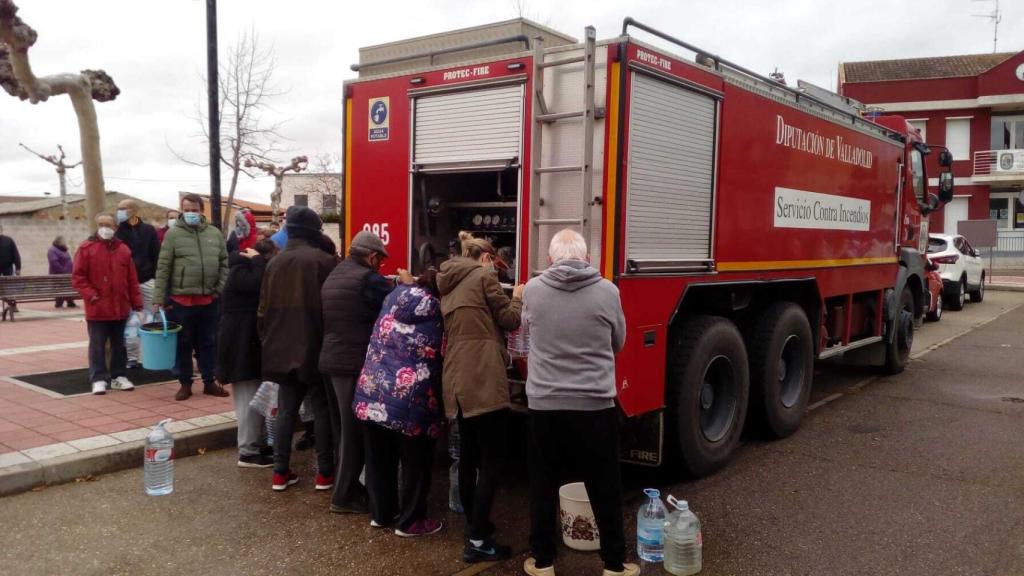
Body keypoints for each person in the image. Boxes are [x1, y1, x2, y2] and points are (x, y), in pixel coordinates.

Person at [520, 229, 634, 576]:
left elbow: (526, 335)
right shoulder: (608, 291)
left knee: (542, 484)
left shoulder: (534, 290)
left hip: (544, 405)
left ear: (550, 260)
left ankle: (542, 562)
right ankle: (614, 565)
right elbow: (618, 341)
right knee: (605, 487)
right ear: (587, 259)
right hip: (595, 406)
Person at [437, 231, 524, 563]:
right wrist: (517, 295)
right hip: (483, 377)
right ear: (486, 258)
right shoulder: (484, 277)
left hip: (457, 379)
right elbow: (510, 320)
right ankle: (477, 541)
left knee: (470, 457)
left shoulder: (448, 280)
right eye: (496, 264)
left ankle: (476, 524)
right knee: (492, 460)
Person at [354, 269, 444, 537]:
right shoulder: (438, 312)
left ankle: (381, 514)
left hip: (371, 392)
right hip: (411, 401)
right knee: (415, 463)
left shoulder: (393, 297)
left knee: (380, 459)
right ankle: (411, 521)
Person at [258, 206, 337, 492]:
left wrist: (268, 342)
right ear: (315, 233)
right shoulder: (324, 262)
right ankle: (325, 473)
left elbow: (262, 312)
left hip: (280, 348)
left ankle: (280, 472)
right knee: (322, 410)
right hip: (316, 347)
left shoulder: (274, 263)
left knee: (286, 411)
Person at [319, 230, 394, 514]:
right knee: (354, 433)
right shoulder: (368, 279)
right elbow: (395, 302)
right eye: (381, 261)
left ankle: (349, 487)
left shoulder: (337, 272)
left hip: (330, 360)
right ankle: (343, 496)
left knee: (342, 431)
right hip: (351, 362)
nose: (380, 266)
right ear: (372, 257)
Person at [153, 194, 230, 401]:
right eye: (186, 210)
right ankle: (185, 383)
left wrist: (218, 289)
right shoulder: (173, 234)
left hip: (209, 300)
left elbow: (224, 263)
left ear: (201, 210)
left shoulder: (214, 233)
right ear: (181, 210)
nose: (190, 213)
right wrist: (159, 297)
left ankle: (209, 382)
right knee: (183, 344)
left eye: (194, 210)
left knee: (209, 343)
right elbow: (163, 267)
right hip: (181, 301)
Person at [218, 239, 278, 468]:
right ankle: (248, 451)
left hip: (245, 346)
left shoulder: (242, 269)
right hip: (240, 347)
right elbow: (259, 283)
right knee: (248, 400)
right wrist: (256, 261)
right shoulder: (241, 272)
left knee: (255, 398)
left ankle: (258, 445)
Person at [71, 214, 142, 395]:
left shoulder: (124, 250)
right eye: (101, 224)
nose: (104, 227)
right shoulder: (86, 248)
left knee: (120, 344)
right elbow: (78, 278)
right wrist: (92, 296)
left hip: (120, 308)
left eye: (108, 224)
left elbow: (131, 279)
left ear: (116, 227)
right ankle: (98, 379)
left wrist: (137, 303)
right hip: (97, 308)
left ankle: (119, 376)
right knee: (97, 345)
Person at [115, 198, 161, 369]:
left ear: (134, 210)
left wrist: (156, 278)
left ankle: (150, 354)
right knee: (129, 321)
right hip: (125, 283)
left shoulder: (148, 230)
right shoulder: (117, 231)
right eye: (118, 208)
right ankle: (131, 357)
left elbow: (156, 255)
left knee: (151, 318)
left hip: (147, 280)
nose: (119, 211)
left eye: (123, 208)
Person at [47, 236, 76, 308]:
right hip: (58, 274)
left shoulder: (64, 249)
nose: (65, 242)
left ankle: (70, 301)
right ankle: (59, 303)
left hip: (68, 273)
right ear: (58, 241)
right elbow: (54, 262)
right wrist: (62, 271)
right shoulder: (52, 250)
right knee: (59, 288)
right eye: (63, 241)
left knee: (69, 287)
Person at [0, 224, 21, 316]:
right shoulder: (9, 240)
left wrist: (18, 267)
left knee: (10, 287)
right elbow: (16, 254)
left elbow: (15, 254)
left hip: (8, 267)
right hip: (8, 267)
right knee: (10, 287)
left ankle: (13, 304)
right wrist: (18, 267)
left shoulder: (9, 240)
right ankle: (13, 305)